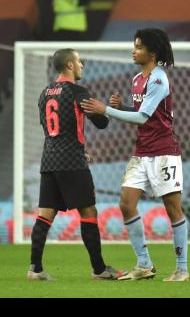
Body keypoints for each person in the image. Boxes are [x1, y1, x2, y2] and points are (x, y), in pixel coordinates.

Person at [80, 28, 189, 282]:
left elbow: (142, 117)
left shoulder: (159, 79)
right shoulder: (137, 79)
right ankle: (144, 265)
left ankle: (182, 268)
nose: (134, 50)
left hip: (164, 153)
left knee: (173, 209)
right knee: (126, 204)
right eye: (134, 45)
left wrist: (105, 109)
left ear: (152, 52)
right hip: (142, 152)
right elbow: (144, 114)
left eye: (139, 47)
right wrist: (122, 107)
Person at [28, 48, 125, 280]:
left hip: (49, 160)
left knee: (45, 215)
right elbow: (101, 122)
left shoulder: (44, 93)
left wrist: (79, 148)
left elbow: (55, 129)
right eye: (79, 61)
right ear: (70, 65)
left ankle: (35, 269)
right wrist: (111, 109)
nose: (82, 65)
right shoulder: (77, 91)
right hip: (71, 162)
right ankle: (99, 269)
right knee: (88, 212)